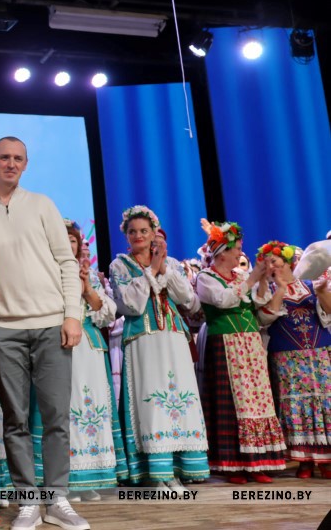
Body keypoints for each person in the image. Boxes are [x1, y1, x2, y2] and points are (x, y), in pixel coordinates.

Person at [0, 136, 88, 530]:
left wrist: (73, 315)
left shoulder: (43, 204)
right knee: (15, 420)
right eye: (4, 157)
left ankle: (57, 500)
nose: (11, 164)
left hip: (51, 324)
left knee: (56, 417)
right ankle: (28, 502)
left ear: (26, 164)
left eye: (18, 158)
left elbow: (67, 263)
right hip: (3, 328)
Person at [108, 206, 209, 491]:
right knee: (150, 400)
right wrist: (151, 269)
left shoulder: (171, 263)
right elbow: (130, 304)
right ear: (126, 236)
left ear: (154, 233)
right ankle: (155, 471)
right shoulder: (119, 266)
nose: (138, 235)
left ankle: (176, 469)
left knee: (179, 399)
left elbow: (188, 300)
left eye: (144, 230)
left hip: (173, 336)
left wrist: (163, 268)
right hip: (143, 338)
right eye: (132, 231)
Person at [30, 219, 127, 503]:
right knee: (61, 408)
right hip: (56, 345)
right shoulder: (45, 272)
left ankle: (90, 478)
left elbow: (107, 313)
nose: (68, 244)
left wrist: (87, 289)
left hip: (89, 348)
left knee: (90, 406)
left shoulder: (89, 276)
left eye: (72, 240)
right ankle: (65, 480)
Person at [196, 222, 286, 483]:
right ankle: (232, 464)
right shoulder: (206, 278)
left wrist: (261, 279)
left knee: (256, 401)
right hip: (225, 344)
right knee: (231, 404)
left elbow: (258, 304)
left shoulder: (238, 276)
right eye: (236, 249)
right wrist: (252, 278)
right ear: (222, 252)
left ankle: (257, 462)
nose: (239, 254)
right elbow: (223, 300)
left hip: (250, 345)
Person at [256, 241, 331, 479]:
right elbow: (264, 319)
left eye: (275, 261)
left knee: (324, 402)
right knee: (296, 405)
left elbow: (329, 311)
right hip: (287, 356)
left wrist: (322, 292)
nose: (271, 266)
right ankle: (304, 461)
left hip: (319, 354)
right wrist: (279, 289)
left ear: (288, 262)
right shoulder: (266, 290)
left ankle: (326, 460)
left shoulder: (309, 285)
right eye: (267, 263)